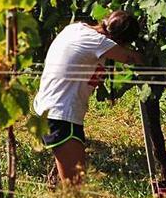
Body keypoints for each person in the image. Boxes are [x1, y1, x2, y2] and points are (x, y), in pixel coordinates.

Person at [32, 10, 144, 186]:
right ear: (122, 40)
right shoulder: (99, 42)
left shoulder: (76, 29)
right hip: (61, 114)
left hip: (52, 110)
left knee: (72, 185)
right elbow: (133, 58)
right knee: (75, 187)